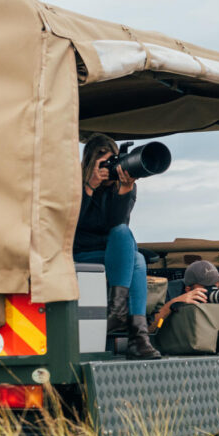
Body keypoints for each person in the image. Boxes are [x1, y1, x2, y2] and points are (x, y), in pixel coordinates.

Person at [73, 133, 161, 360]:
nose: (109, 168)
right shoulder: (75, 184)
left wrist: (124, 190)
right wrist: (89, 187)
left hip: (111, 255)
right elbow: (72, 224)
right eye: (103, 164)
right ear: (90, 164)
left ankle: (120, 314)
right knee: (138, 260)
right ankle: (138, 338)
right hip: (80, 253)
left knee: (127, 240)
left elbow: (116, 226)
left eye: (113, 162)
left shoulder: (123, 186)